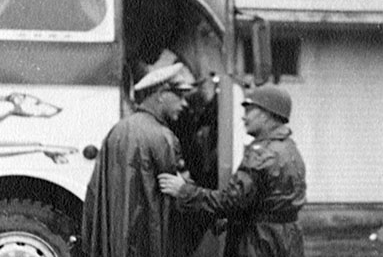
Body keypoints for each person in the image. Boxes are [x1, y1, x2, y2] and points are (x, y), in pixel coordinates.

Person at [158, 84, 307, 257]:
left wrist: (184, 191)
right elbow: (265, 203)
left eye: (249, 110)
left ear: (266, 115)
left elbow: (230, 202)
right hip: (287, 241)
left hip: (259, 243)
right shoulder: (290, 149)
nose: (244, 118)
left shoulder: (261, 155)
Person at [81, 62, 195, 257]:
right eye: (179, 96)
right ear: (161, 94)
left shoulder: (116, 131)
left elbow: (94, 193)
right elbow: (178, 199)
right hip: (147, 244)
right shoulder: (163, 137)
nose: (184, 103)